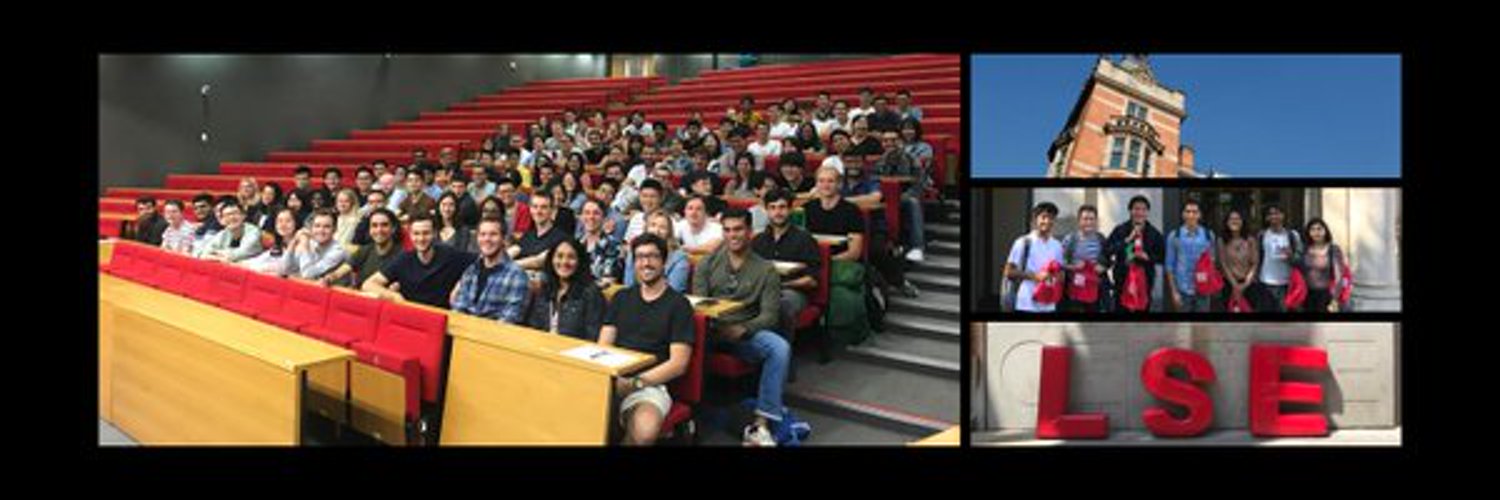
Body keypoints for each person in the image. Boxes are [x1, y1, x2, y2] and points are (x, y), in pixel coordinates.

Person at [692, 208, 792, 446]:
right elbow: (699, 304)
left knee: (778, 347)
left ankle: (761, 424)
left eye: (738, 229)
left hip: (746, 333)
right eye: (726, 230)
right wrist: (715, 326)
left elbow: (770, 316)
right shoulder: (706, 263)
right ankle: (691, 413)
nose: (732, 235)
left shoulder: (766, 270)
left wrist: (743, 329)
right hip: (712, 330)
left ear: (749, 233)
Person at [598, 233, 695, 446]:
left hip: (650, 384)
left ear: (664, 261)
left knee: (645, 432)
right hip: (613, 378)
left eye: (653, 256)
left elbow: (678, 364)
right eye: (640, 257)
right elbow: (603, 346)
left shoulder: (679, 305)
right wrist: (612, 380)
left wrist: (635, 383)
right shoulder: (621, 297)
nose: (646, 263)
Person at [752, 188, 822, 344]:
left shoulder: (805, 239)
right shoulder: (758, 241)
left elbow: (812, 280)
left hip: (793, 292)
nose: (778, 212)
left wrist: (782, 284)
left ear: (790, 209)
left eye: (782, 207)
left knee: (780, 304)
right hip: (762, 289)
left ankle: (781, 355)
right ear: (766, 210)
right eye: (773, 208)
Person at [362, 213, 476, 309]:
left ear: (435, 233)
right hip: (411, 315)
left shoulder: (450, 255)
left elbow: (481, 261)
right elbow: (368, 284)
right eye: (416, 233)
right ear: (410, 235)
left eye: (426, 233)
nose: (421, 239)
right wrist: (394, 296)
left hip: (440, 319)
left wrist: (461, 283)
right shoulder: (404, 259)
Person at [520, 238, 607, 341]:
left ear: (580, 261)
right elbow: (531, 328)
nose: (564, 262)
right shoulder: (543, 289)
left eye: (571, 257)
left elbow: (592, 337)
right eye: (559, 256)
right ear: (551, 259)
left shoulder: (591, 293)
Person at [449, 216, 528, 323]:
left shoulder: (517, 275)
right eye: (482, 234)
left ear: (504, 239)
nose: (487, 239)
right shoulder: (471, 270)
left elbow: (510, 319)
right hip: (464, 334)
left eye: (493, 234)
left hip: (494, 337)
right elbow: (459, 307)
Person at [1104, 195, 1166, 313]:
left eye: (1143, 209)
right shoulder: (1120, 229)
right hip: (1122, 279)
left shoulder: (1154, 233)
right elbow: (1108, 249)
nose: (1140, 213)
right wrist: (1127, 240)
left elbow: (1162, 257)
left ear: (1147, 212)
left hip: (1144, 280)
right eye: (1136, 209)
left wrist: (1148, 257)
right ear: (1130, 211)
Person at [872, 130, 927, 262]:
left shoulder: (912, 159)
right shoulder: (879, 161)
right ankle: (891, 245)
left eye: (893, 140)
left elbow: (919, 183)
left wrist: (901, 197)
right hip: (885, 198)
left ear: (900, 142)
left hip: (907, 196)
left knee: (913, 203)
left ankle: (917, 247)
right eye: (886, 141)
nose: (889, 143)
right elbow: (875, 182)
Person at [1004, 202, 1065, 313]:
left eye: (1051, 218)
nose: (1047, 221)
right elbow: (1009, 272)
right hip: (1026, 303)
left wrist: (1056, 276)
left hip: (1049, 304)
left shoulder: (1057, 245)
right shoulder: (1023, 242)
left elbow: (1061, 273)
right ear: (1035, 220)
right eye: (1043, 217)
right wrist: (1035, 276)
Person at [1163, 200, 1218, 313]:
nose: (1191, 215)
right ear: (1183, 215)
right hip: (1183, 290)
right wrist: (1174, 292)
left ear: (1199, 214)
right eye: (1188, 211)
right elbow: (1169, 266)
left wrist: (1210, 286)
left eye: (1194, 212)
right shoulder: (1174, 236)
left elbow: (1212, 262)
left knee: (1201, 328)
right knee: (1183, 329)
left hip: (1203, 291)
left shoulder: (1208, 235)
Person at [326, 208, 401, 289]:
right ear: (369, 229)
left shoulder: (402, 257)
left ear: (393, 228)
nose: (379, 230)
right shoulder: (365, 250)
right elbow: (340, 272)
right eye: (374, 225)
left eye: (384, 225)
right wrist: (329, 278)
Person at [1058, 205, 1111, 313]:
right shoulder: (1070, 239)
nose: (1088, 222)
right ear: (1079, 221)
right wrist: (1073, 267)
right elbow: (1060, 262)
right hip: (1075, 288)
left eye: (1092, 219)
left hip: (1095, 288)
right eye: (1085, 219)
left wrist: (1103, 267)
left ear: (1096, 221)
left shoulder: (1101, 239)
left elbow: (1108, 259)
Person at [623, 210, 691, 292]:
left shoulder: (679, 258)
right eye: (653, 225)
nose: (656, 231)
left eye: (662, 227)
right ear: (646, 228)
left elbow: (674, 290)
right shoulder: (634, 252)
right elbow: (629, 284)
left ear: (669, 232)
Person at [1254, 204, 1303, 313]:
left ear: (1283, 215)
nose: (1274, 216)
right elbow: (1257, 257)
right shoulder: (1262, 235)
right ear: (1267, 218)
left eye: (1277, 213)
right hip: (1265, 283)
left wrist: (1291, 256)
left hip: (1287, 284)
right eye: (1271, 214)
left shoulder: (1293, 235)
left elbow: (1300, 261)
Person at [282, 208, 348, 283]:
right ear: (311, 228)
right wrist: (293, 242)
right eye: (317, 226)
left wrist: (305, 245)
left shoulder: (338, 251)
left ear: (334, 229)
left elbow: (308, 274)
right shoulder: (312, 243)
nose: (321, 230)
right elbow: (285, 269)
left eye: (326, 227)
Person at [510, 191, 567, 271]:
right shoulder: (528, 235)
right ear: (530, 209)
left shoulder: (561, 238)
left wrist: (508, 265)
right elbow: (513, 251)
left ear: (552, 211)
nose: (538, 211)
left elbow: (539, 261)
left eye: (543, 207)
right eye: (535, 207)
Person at [1300, 218, 1346, 313]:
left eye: (1319, 229)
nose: (1316, 232)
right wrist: (1288, 257)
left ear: (1325, 231)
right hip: (1307, 295)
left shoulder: (1333, 249)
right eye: (1312, 229)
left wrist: (1334, 300)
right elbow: (1299, 268)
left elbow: (1339, 277)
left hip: (1325, 296)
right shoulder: (1305, 249)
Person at [1218, 208, 1260, 313]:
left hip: (1249, 285)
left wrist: (1245, 283)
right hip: (1228, 284)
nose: (1234, 221)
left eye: (1238, 219)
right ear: (1227, 222)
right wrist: (1235, 285)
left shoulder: (1250, 239)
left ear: (1242, 222)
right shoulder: (1222, 240)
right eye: (1231, 219)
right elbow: (1223, 264)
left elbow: (1254, 263)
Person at [577, 199, 624, 287]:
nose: (591, 217)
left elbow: (608, 282)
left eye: (596, 213)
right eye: (587, 213)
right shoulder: (575, 244)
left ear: (604, 218)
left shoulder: (612, 245)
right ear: (581, 217)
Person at [196, 202, 264, 263]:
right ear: (222, 220)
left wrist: (217, 253)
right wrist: (220, 259)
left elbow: (241, 253)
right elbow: (203, 254)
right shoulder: (223, 233)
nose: (232, 217)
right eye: (227, 215)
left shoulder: (253, 231)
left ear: (243, 216)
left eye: (235, 213)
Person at [240, 208, 298, 276]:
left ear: (296, 223)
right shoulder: (279, 244)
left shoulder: (301, 243)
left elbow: (283, 268)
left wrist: (258, 268)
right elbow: (262, 258)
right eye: (279, 221)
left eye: (288, 221)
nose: (283, 224)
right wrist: (241, 263)